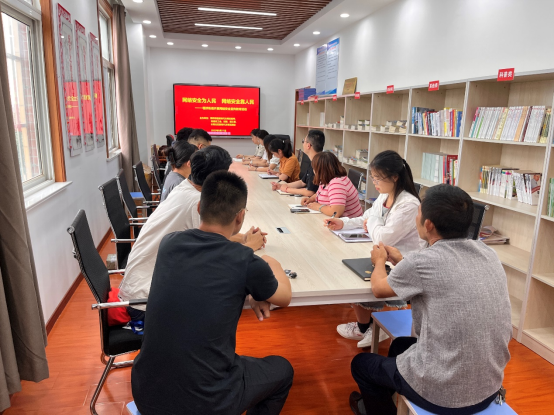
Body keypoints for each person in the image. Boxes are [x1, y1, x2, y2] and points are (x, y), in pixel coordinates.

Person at [132, 171, 294, 415]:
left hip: (146, 393)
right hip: (207, 402)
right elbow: (284, 297)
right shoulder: (245, 261)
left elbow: (209, 266)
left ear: (199, 207)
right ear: (240, 217)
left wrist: (252, 287)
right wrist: (272, 263)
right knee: (283, 370)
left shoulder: (169, 243)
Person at [349, 184, 512, 415]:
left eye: (418, 212)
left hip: (443, 394)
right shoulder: (488, 253)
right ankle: (391, 397)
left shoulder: (422, 261)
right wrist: (402, 261)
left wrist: (379, 261)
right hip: (488, 386)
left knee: (361, 365)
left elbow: (378, 288)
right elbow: (437, 277)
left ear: (428, 224)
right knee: (399, 345)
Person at [118, 146, 267, 322]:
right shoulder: (197, 203)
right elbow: (217, 257)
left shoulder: (185, 187)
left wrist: (243, 238)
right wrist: (250, 246)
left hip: (141, 287)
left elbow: (211, 235)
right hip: (147, 303)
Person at [325, 150, 423, 348]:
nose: (375, 183)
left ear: (395, 177)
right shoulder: (385, 195)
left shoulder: (409, 204)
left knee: (360, 276)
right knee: (350, 268)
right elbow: (367, 217)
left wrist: (372, 222)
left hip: (401, 261)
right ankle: (365, 326)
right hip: (384, 255)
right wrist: (343, 223)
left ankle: (375, 326)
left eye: (378, 178)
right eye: (373, 178)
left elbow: (382, 237)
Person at [301, 152, 364, 218]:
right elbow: (319, 193)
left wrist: (318, 207)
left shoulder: (337, 183)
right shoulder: (326, 179)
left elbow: (336, 212)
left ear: (320, 170)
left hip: (348, 223)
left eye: (314, 168)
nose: (313, 171)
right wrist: (310, 199)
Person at [271, 129, 325, 197]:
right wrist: (282, 186)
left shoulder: (318, 164)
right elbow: (302, 182)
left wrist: (287, 189)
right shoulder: (313, 161)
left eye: (303, 141)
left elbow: (310, 192)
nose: (303, 144)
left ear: (308, 146)